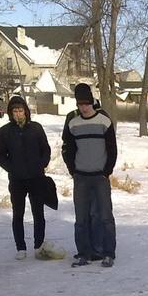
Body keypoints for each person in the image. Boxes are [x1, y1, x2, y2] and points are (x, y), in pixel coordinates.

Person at [61, 83, 117, 268]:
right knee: (81, 219)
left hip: (100, 178)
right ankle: (84, 254)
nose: (84, 107)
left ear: (92, 102)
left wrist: (107, 171)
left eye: (86, 103)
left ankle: (108, 253)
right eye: (80, 104)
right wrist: (73, 170)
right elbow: (68, 149)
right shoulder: (73, 123)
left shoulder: (104, 121)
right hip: (81, 178)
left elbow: (112, 149)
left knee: (105, 217)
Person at [0, 95, 51, 259]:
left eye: (20, 111)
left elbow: (45, 149)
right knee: (18, 213)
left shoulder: (36, 128)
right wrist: (12, 168)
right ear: (10, 113)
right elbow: (0, 155)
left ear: (25, 111)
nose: (18, 114)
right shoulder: (4, 132)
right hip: (17, 179)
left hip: (36, 177)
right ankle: (21, 247)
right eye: (15, 111)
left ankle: (39, 245)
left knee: (38, 213)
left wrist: (42, 163)